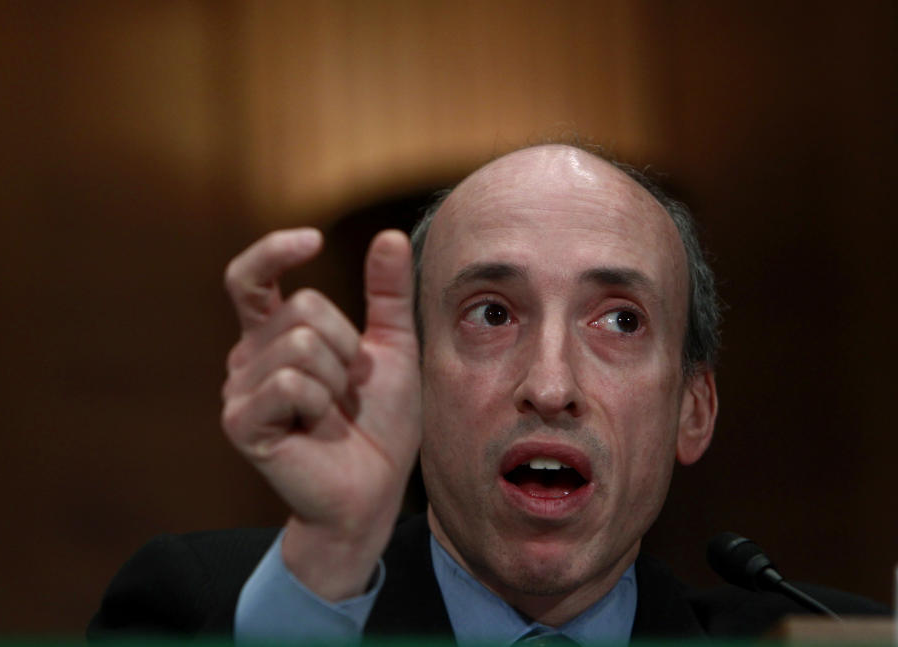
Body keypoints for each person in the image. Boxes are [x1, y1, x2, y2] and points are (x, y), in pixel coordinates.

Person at [89, 144, 886, 643]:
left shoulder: (816, 636)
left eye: (618, 319)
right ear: (412, 384)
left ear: (693, 409)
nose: (549, 385)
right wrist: (328, 569)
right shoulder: (203, 612)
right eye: (493, 313)